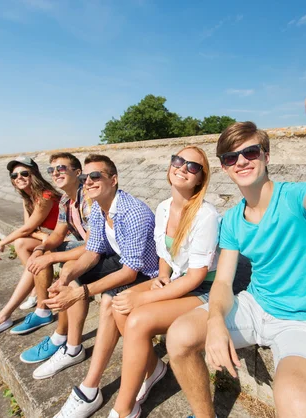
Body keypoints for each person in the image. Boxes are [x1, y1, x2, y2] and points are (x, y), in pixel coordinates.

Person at [166, 18, 306, 418]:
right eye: (231, 158)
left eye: (250, 152)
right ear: (225, 168)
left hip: (300, 322)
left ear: (266, 156)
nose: (242, 161)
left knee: (299, 406)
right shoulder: (233, 220)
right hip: (253, 307)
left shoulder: (297, 200)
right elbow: (224, 284)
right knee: (180, 335)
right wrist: (216, 319)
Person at [105, 146, 221, 418]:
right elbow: (164, 252)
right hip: (178, 279)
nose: (183, 167)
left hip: (203, 289)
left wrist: (143, 297)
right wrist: (162, 276)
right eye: (178, 161)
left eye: (193, 167)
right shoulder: (163, 207)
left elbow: (196, 277)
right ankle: (153, 368)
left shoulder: (206, 215)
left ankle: (124, 408)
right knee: (116, 305)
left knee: (137, 318)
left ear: (200, 179)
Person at [22, 154, 158, 381]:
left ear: (113, 180)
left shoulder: (133, 213)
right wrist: (64, 279)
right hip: (123, 260)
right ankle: (71, 346)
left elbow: (130, 272)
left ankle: (87, 370)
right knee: (72, 272)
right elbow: (93, 251)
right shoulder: (97, 207)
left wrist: (79, 293)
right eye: (86, 176)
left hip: (146, 271)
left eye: (96, 176)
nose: (89, 181)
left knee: (106, 298)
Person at [0, 153, 89, 343]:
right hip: (59, 238)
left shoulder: (47, 196)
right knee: (25, 245)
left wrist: (3, 242)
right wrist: (42, 241)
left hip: (74, 240)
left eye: (24, 174)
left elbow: (28, 229)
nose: (19, 178)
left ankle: (6, 315)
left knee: (36, 251)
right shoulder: (36, 198)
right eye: (14, 176)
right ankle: (34, 293)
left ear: (33, 174)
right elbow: (31, 229)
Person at [14, 152, 92, 363]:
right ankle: (42, 311)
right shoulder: (66, 199)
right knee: (44, 252)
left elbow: (94, 245)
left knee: (68, 272)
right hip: (86, 246)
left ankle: (65, 342)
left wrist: (49, 256)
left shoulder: (88, 199)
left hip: (105, 252)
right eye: (52, 170)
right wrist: (41, 248)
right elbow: (58, 234)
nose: (56, 173)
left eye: (61, 168)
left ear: (77, 172)